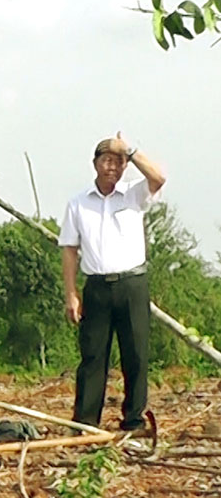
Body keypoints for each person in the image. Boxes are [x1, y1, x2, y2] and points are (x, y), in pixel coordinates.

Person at [58, 133, 166, 433]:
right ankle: (85, 423)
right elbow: (69, 250)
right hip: (97, 287)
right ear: (95, 164)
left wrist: (130, 150)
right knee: (93, 356)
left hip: (132, 285)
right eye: (107, 160)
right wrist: (71, 294)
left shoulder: (134, 194)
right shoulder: (78, 204)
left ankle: (133, 421)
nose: (112, 167)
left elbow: (159, 177)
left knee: (136, 355)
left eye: (118, 162)